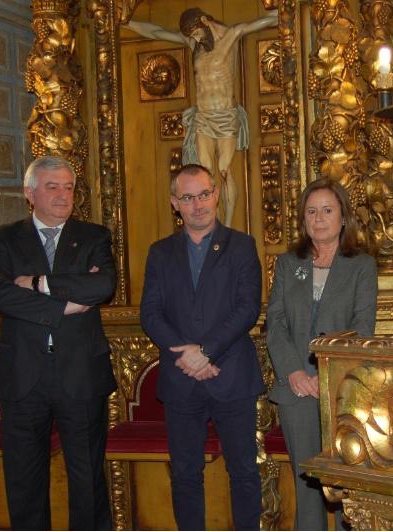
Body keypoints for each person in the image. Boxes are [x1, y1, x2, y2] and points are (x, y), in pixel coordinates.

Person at [0, 156, 116, 530]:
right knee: (24, 481)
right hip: (23, 374)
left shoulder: (94, 236)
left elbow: (102, 286)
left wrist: (38, 283)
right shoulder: (3, 239)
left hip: (81, 371)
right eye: (52, 187)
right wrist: (66, 306)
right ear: (30, 193)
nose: (63, 195)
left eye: (68, 187)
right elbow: (2, 296)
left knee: (87, 479)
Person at [140, 163, 264, 530]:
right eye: (188, 197)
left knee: (244, 472)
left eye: (205, 194)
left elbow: (247, 309)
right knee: (184, 474)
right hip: (182, 380)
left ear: (216, 194)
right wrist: (188, 355)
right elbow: (150, 313)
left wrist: (205, 352)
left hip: (232, 375)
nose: (198, 204)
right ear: (174, 203)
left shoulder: (242, 246)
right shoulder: (160, 252)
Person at [266, 178, 378, 530]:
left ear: (343, 217)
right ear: (303, 218)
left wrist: (328, 376)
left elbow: (362, 328)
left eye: (327, 210)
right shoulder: (288, 264)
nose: (319, 219)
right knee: (307, 486)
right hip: (296, 390)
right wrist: (294, 372)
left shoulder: (361, 265)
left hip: (342, 391)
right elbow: (275, 323)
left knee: (347, 485)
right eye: (311, 211)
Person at [127, 8, 278, 227]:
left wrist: (286, 9)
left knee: (224, 170)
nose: (196, 39)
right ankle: (213, 224)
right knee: (206, 174)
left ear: (205, 21)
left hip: (225, 116)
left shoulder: (231, 35)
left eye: (197, 33)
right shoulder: (194, 44)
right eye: (192, 36)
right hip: (203, 117)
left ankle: (226, 226)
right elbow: (157, 32)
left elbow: (264, 21)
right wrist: (126, 23)